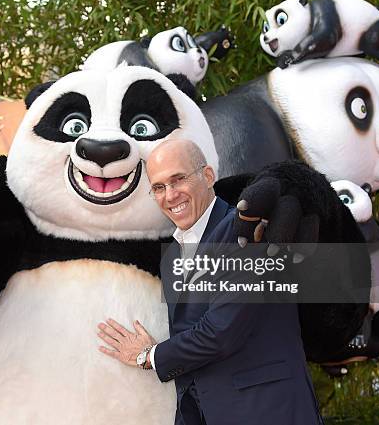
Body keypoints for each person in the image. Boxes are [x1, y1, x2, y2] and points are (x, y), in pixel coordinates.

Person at [97, 139, 323, 425]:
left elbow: (221, 332)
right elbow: (192, 342)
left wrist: (149, 356)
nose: (170, 195)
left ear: (207, 177)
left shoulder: (245, 231)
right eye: (158, 187)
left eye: (178, 180)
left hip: (269, 409)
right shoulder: (172, 257)